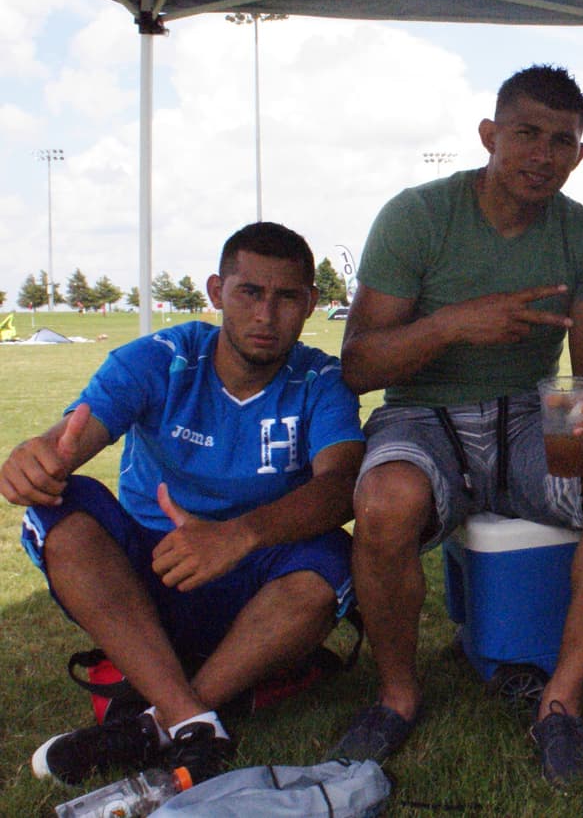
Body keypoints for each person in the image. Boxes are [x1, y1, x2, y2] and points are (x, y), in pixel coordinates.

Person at [331, 65, 583, 786]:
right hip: (422, 410)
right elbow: (357, 363)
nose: (543, 154)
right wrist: (452, 324)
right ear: (489, 135)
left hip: (533, 409)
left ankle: (561, 698)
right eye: (527, 134)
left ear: (579, 154)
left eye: (562, 141)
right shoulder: (417, 216)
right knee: (383, 504)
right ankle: (396, 694)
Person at [1, 222, 365, 787]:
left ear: (312, 303)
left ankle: (159, 720)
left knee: (332, 559)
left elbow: (341, 485)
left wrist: (236, 536)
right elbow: (72, 438)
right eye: (250, 292)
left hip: (258, 582)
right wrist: (38, 459)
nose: (267, 315)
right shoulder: (162, 357)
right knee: (62, 508)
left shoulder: (319, 379)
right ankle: (190, 718)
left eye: (287, 296)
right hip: (153, 572)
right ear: (217, 291)